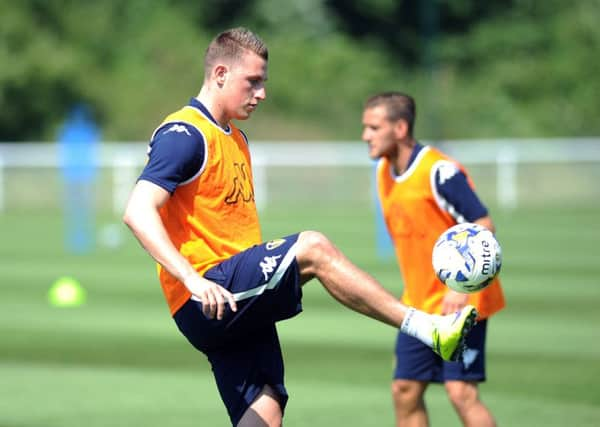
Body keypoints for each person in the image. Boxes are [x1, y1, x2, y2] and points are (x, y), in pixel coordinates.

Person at [123, 28, 478, 427]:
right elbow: (138, 211)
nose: (261, 93)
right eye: (252, 82)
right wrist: (191, 279)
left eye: (264, 83)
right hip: (207, 288)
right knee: (313, 247)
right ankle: (427, 327)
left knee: (267, 410)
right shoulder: (185, 134)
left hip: (235, 298)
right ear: (220, 74)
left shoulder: (235, 138)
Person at [361, 92, 506, 427]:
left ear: (399, 128)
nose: (365, 135)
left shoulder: (440, 172)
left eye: (373, 127)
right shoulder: (384, 171)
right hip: (419, 304)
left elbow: (484, 225)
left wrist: (460, 288)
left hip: (462, 302)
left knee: (460, 392)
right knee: (405, 388)